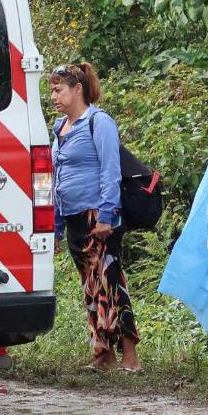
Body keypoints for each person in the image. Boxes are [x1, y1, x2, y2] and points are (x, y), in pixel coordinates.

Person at [50, 62, 141, 371]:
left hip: (98, 217)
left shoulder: (98, 122)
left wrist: (106, 216)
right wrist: (56, 228)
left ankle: (130, 357)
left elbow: (110, 171)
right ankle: (104, 354)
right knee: (91, 287)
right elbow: (56, 179)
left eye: (58, 90)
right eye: (52, 91)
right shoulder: (59, 129)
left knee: (111, 283)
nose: (54, 97)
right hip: (73, 217)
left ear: (78, 89)